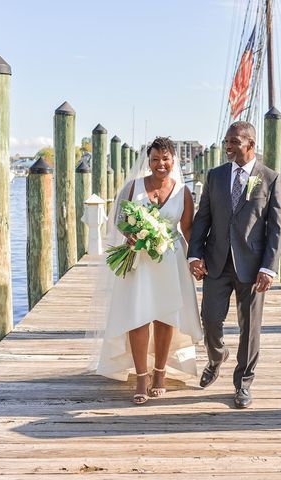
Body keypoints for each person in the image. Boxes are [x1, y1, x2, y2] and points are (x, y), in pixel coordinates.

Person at [94, 137, 203, 405]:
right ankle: (141, 375)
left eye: (165, 159)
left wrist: (196, 260)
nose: (160, 164)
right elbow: (119, 220)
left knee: (166, 317)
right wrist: (131, 236)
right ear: (148, 161)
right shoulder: (134, 187)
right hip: (140, 261)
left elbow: (188, 230)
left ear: (173, 160)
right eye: (155, 159)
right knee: (138, 317)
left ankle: (160, 373)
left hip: (171, 261)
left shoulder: (183, 192)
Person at [187, 121, 281, 409]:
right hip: (216, 263)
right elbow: (203, 217)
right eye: (226, 141)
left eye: (233, 142)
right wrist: (195, 255)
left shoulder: (270, 178)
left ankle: (243, 383)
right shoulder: (215, 176)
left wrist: (269, 267)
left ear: (250, 144)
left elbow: (276, 228)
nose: (227, 146)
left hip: (252, 267)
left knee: (250, 328)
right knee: (211, 320)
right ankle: (217, 358)